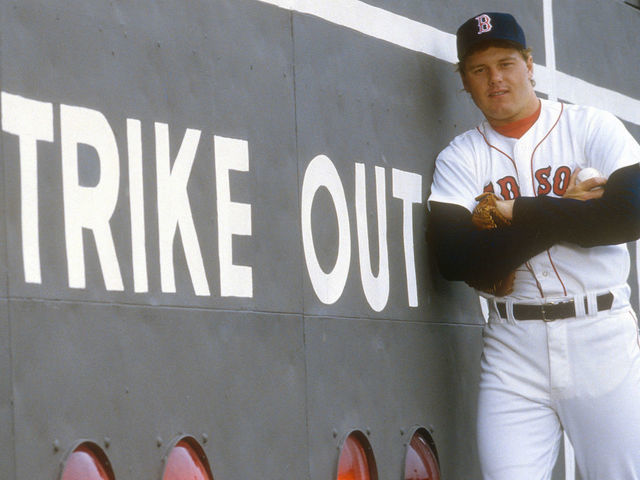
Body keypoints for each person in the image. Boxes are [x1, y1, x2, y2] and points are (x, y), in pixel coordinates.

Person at [427, 12, 640, 480]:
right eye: (479, 70)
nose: (495, 79)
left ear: (529, 64)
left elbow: (627, 215)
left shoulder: (591, 127)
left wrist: (510, 213)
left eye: (505, 63)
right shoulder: (460, 157)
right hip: (512, 349)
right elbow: (455, 258)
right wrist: (564, 208)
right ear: (464, 82)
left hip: (600, 335)